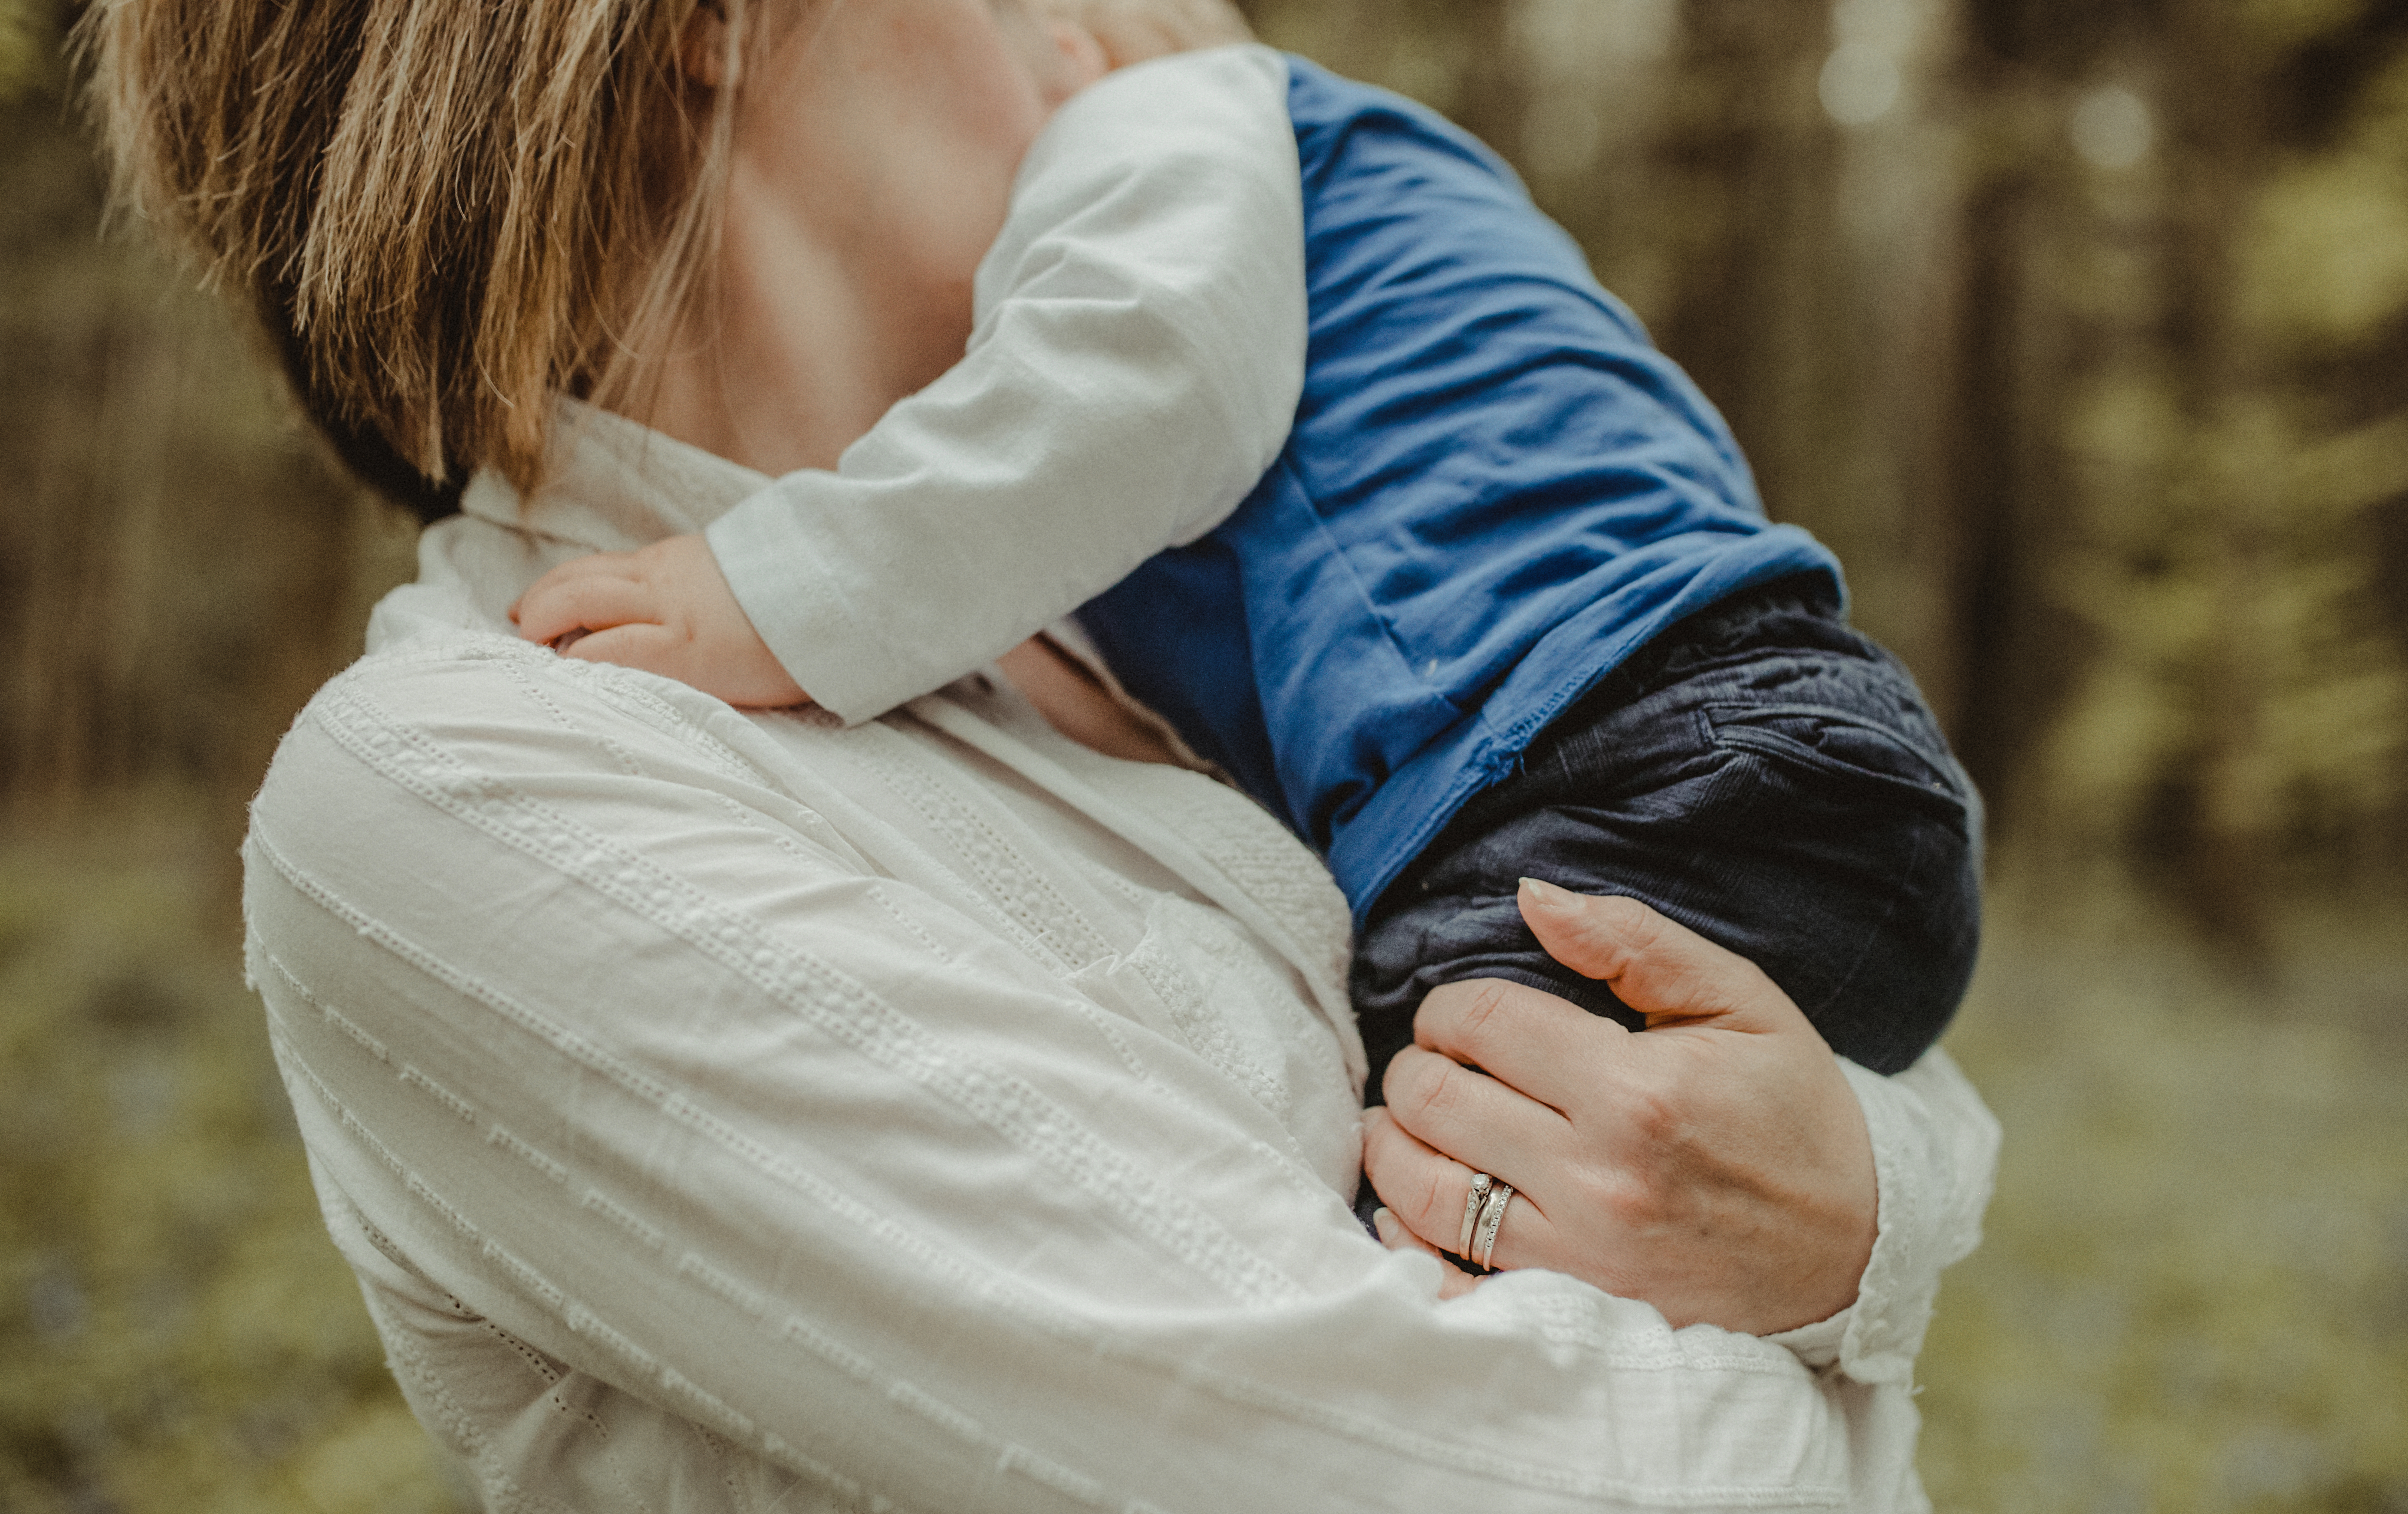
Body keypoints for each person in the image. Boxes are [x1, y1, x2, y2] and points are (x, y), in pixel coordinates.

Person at [89, 0, 1998, 1514]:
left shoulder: (1150, 623)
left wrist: (1856, 1219)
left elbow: (1704, 1032)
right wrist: (1836, 1307)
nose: (1096, 34)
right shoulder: (466, 786)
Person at [510, 18, 1985, 1135]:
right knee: (1645, 1217)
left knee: (1430, 1244)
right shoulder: (1344, 210)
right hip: (1794, 745)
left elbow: (1146, 374)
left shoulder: (1170, 113)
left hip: (1605, 771)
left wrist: (781, 593)